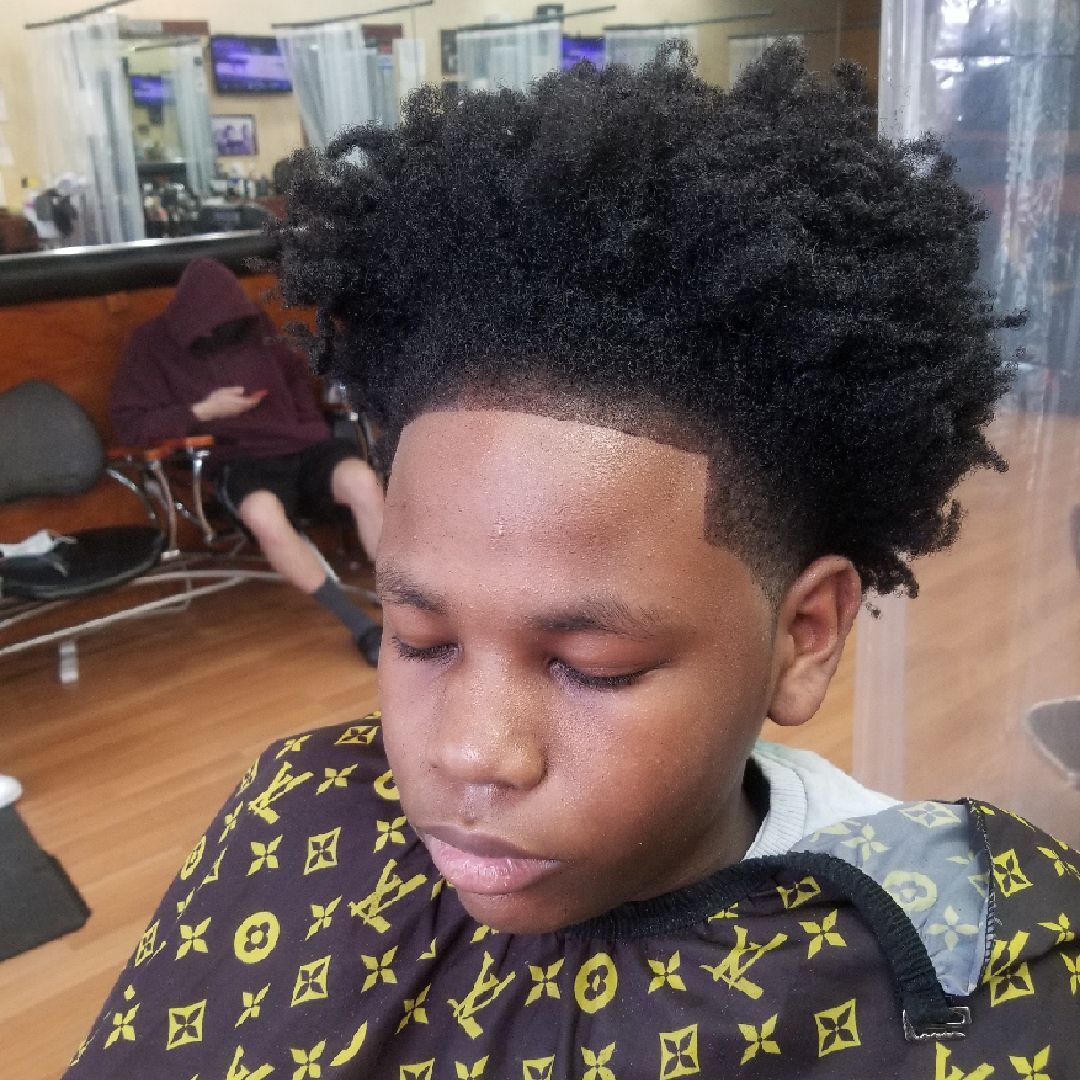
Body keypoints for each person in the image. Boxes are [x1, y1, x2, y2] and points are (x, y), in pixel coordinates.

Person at [67, 43, 1078, 1078]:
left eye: (591, 667)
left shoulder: (955, 968)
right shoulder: (299, 817)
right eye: (419, 640)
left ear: (804, 636)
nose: (469, 753)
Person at [111, 257, 383, 665]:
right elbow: (131, 425)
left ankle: (407, 607)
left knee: (362, 480)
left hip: (302, 448)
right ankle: (361, 627)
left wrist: (308, 425)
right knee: (262, 514)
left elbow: (293, 379)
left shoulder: (255, 326)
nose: (229, 333)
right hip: (238, 459)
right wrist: (204, 411)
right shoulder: (150, 345)